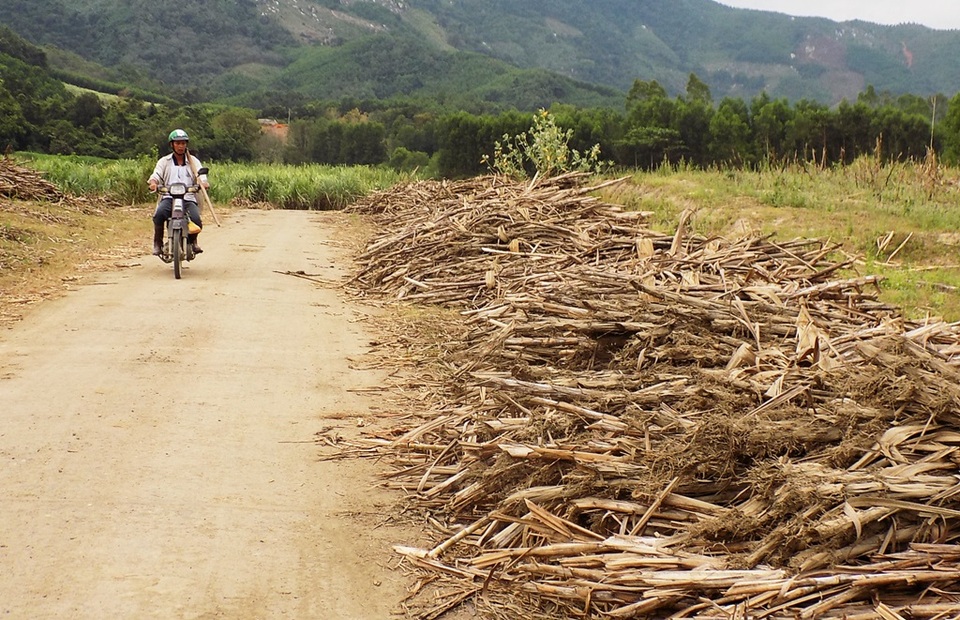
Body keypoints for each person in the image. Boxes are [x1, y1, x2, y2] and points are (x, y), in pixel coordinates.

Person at [147, 129, 209, 256]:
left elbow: (201, 175)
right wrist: (153, 183)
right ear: (172, 145)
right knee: (159, 215)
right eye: (178, 143)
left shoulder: (193, 161)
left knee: (196, 219)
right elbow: (156, 175)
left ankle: (193, 242)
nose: (181, 146)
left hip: (188, 197)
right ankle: (157, 243)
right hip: (168, 197)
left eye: (183, 143)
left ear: (186, 144)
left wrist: (203, 183)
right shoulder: (164, 161)